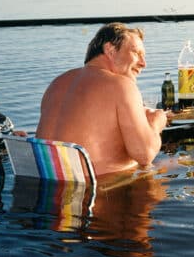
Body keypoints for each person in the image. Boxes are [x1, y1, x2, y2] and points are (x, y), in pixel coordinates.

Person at [36, 22, 168, 177]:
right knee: (176, 165)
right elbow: (144, 155)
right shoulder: (121, 85)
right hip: (97, 193)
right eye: (136, 53)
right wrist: (156, 121)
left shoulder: (57, 83)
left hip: (47, 188)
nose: (143, 63)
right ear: (110, 50)